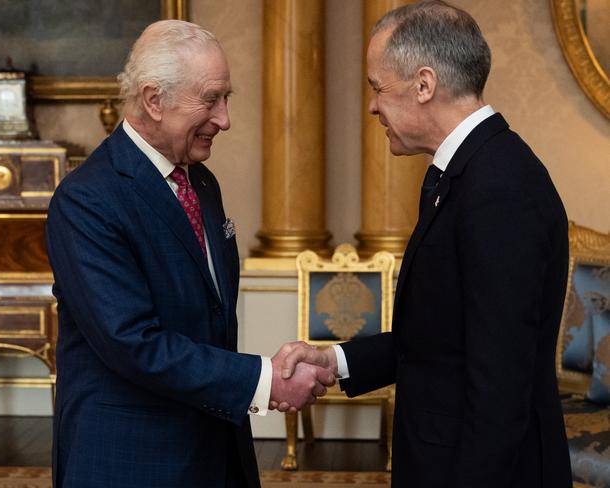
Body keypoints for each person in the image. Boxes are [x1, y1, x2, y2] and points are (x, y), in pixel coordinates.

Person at [279, 2, 572, 487]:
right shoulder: (468, 172)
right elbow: (439, 340)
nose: (372, 106)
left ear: (424, 84)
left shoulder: (499, 188)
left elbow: (499, 387)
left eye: (378, 88)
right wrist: (335, 361)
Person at [46, 20, 334, 488]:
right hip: (131, 460)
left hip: (215, 450)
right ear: (154, 100)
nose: (224, 119)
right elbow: (133, 342)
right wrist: (265, 379)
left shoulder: (200, 182)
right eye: (210, 99)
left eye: (227, 99)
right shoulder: (88, 200)